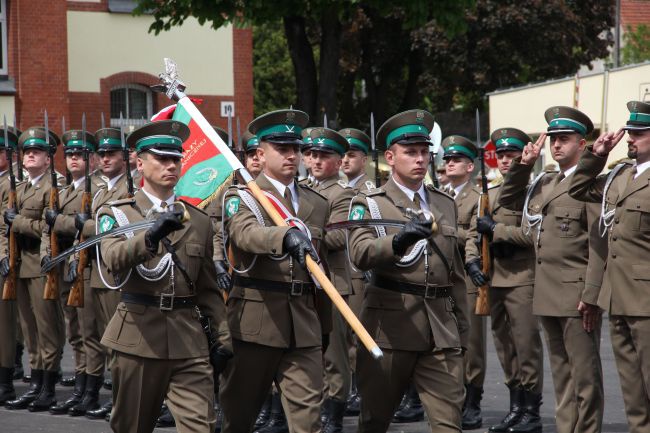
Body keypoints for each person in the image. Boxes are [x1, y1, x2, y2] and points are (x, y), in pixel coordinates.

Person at [96, 120, 232, 433]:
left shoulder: (197, 219)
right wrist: (151, 234)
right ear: (140, 162)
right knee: (133, 426)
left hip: (189, 340)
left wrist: (223, 337)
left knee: (201, 426)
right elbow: (112, 259)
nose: (171, 165)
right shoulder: (117, 213)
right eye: (161, 158)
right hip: (138, 337)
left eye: (175, 159)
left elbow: (208, 288)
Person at [347, 109, 469, 433]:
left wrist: (463, 334)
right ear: (390, 156)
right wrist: (398, 240)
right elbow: (359, 253)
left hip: (440, 332)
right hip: (390, 329)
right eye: (410, 152)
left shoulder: (445, 204)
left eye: (424, 152)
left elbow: (454, 275)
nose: (419, 159)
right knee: (374, 422)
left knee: (449, 425)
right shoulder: (371, 202)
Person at [219, 109, 332, 433]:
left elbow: (322, 269)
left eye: (296, 149)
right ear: (260, 153)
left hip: (304, 325)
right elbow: (245, 235)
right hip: (257, 323)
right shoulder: (242, 197)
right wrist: (284, 235)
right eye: (282, 149)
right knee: (238, 418)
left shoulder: (317, 203)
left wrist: (324, 326)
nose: (292, 155)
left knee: (308, 421)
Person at [498, 106, 606, 433]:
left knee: (585, 378)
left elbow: (598, 245)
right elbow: (507, 201)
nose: (556, 145)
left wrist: (591, 294)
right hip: (546, 292)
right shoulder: (544, 181)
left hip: (576, 294)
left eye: (565, 139)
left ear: (582, 144)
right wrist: (523, 165)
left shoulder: (589, 186)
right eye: (553, 139)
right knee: (562, 375)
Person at [568, 100, 650, 433]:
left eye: (639, 133)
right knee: (632, 391)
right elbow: (579, 188)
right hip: (618, 298)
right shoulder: (620, 176)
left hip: (646, 301)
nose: (630, 138)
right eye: (630, 131)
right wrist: (597, 155)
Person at [474, 128, 543, 432]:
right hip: (495, 278)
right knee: (504, 346)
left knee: (526, 346)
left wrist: (497, 231)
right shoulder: (492, 191)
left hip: (521, 277)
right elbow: (475, 234)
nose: (505, 160)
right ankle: (516, 406)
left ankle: (532, 410)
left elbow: (535, 236)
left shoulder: (534, 190)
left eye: (511, 155)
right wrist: (473, 260)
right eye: (500, 155)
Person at [44, 129, 105, 416]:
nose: (73, 159)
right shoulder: (66, 190)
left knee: (90, 332)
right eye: (69, 155)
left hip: (88, 265)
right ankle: (80, 387)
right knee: (76, 332)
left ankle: (91, 391)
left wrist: (61, 222)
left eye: (79, 155)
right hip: (68, 266)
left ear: (91, 159)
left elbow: (87, 225)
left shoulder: (96, 189)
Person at [5, 127, 66, 412]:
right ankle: (35, 383)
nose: (30, 154)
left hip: (41, 266)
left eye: (37, 151)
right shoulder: (24, 186)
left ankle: (49, 388)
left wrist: (18, 223)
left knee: (47, 330)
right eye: (27, 151)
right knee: (30, 332)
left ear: (49, 158)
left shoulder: (53, 188)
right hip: (21, 266)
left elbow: (48, 227)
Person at [442, 135, 488, 429]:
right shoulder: (438, 194)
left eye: (456, 160)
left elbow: (474, 234)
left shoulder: (477, 198)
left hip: (467, 277)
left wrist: (442, 230)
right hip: (441, 277)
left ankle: (472, 401)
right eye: (447, 159)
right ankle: (450, 398)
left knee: (471, 344)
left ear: (470, 167)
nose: (449, 164)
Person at [309, 127, 351, 433]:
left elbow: (339, 237)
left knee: (335, 355)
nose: (315, 161)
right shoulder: (300, 190)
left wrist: (306, 232)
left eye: (324, 155)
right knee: (311, 352)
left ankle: (334, 412)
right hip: (307, 282)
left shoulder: (343, 194)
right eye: (311, 155)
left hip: (333, 282)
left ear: (339, 161)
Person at [337, 127, 374, 416]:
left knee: (359, 334)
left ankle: (363, 390)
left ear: (364, 159)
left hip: (360, 273)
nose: (345, 160)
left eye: (351, 155)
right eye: (343, 155)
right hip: (339, 273)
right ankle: (347, 389)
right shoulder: (337, 189)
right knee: (340, 338)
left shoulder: (369, 192)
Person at [0, 126, 20, 405]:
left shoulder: (12, 182)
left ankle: (5, 382)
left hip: (4, 257)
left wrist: (4, 254)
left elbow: (6, 226)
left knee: (5, 326)